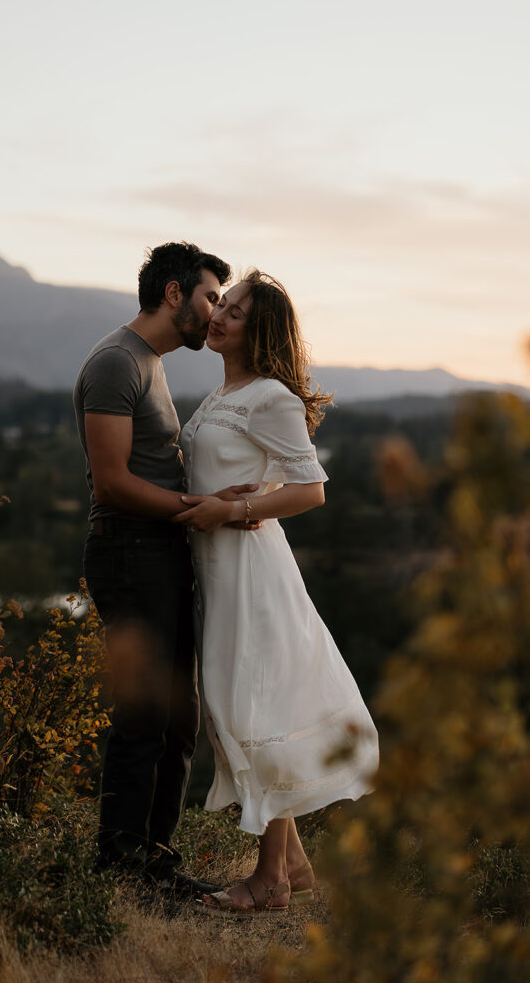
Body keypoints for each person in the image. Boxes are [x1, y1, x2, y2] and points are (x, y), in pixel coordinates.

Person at [175, 269, 380, 915]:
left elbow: (311, 488)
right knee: (233, 708)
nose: (219, 316)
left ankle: (269, 880)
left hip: (251, 572)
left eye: (233, 312)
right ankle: (291, 860)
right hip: (219, 569)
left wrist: (234, 512)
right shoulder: (224, 391)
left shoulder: (269, 395)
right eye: (222, 304)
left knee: (250, 711)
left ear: (258, 331)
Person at [73, 242, 259, 898]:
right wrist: (198, 507)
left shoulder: (148, 364)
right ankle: (118, 869)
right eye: (210, 296)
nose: (214, 312)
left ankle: (155, 863)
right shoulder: (115, 363)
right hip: (128, 551)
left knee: (178, 717)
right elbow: (112, 483)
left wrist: (220, 499)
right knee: (143, 714)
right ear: (174, 293)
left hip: (161, 552)